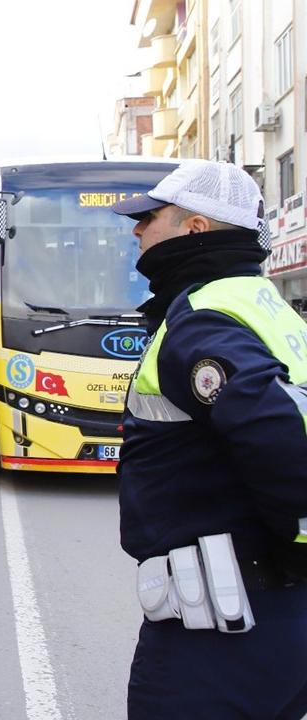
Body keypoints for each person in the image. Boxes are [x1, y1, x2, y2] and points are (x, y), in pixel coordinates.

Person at [110, 159, 307, 719]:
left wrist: (300, 547)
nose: (136, 230)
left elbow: (279, 437)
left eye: (149, 218)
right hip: (278, 615)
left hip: (224, 629)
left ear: (194, 228)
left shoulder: (203, 318)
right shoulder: (269, 307)